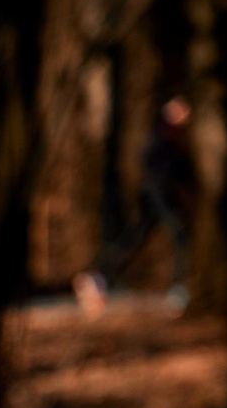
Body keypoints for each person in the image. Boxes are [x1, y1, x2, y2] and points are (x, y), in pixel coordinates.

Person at [76, 95, 196, 313]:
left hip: (157, 195)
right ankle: (178, 289)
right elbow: (158, 166)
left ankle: (100, 276)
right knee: (177, 234)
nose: (186, 115)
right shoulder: (161, 136)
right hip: (158, 195)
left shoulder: (174, 137)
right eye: (181, 111)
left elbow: (181, 170)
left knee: (135, 238)